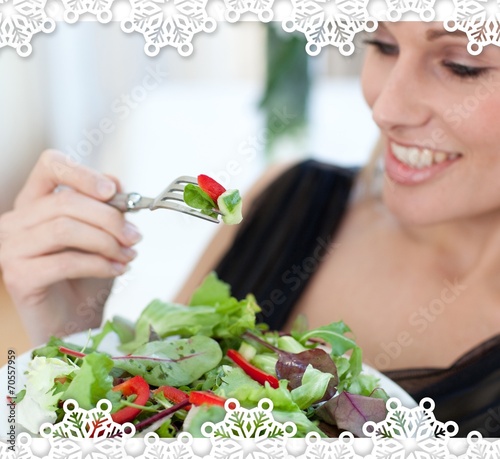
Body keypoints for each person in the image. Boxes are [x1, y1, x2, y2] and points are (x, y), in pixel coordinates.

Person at [1, 21, 500, 436]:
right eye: (383, 44)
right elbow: (161, 412)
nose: (387, 109)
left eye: (462, 65)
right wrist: (71, 341)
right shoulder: (287, 200)